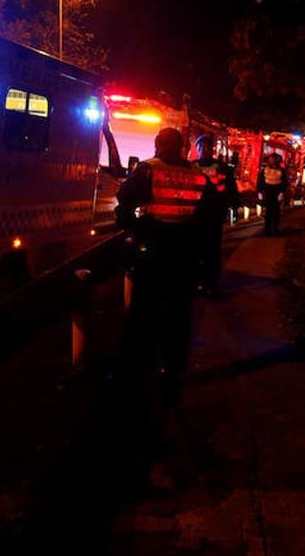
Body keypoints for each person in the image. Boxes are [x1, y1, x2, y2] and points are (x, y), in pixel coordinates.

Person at [113, 127, 213, 450]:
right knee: (179, 316)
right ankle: (172, 375)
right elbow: (209, 215)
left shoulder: (149, 169)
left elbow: (124, 203)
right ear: (182, 147)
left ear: (158, 144)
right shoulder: (197, 175)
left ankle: (135, 379)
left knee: (144, 315)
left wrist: (137, 228)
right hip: (184, 253)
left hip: (155, 248)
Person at [192, 133, 240, 297]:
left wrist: (234, 205)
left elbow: (230, 187)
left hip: (214, 214)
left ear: (212, 148)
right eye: (201, 146)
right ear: (197, 148)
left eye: (207, 146)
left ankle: (212, 283)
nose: (204, 149)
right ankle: (196, 281)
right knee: (194, 250)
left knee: (212, 250)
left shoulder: (222, 168)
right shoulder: (191, 167)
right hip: (195, 215)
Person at [256, 152, 288, 236]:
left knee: (276, 212)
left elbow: (285, 183)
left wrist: (281, 192)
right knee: (268, 212)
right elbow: (260, 181)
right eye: (270, 159)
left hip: (277, 192)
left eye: (273, 159)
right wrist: (259, 191)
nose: (272, 161)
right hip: (268, 192)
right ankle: (267, 230)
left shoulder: (281, 170)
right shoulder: (265, 170)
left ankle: (275, 229)